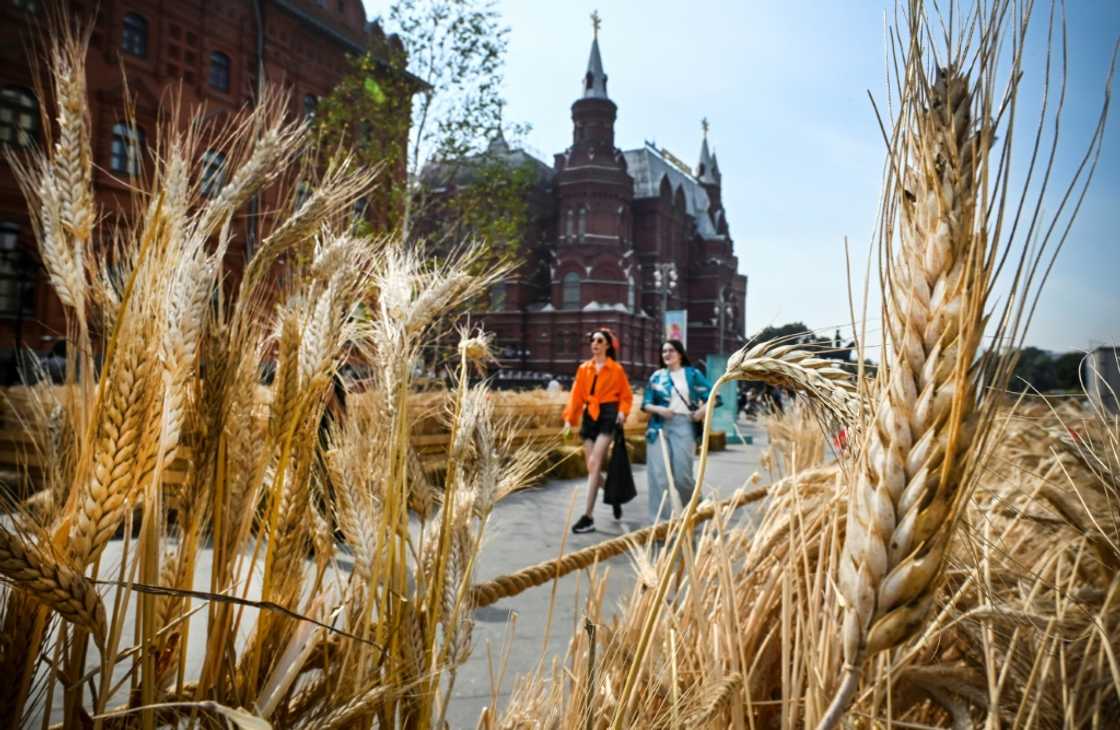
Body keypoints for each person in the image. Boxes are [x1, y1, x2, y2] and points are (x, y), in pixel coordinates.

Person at [562, 328, 633, 533]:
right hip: (589, 417)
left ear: (608, 345)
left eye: (599, 340)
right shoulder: (583, 369)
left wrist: (622, 413)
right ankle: (614, 497)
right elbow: (576, 396)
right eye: (592, 340)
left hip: (608, 416)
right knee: (592, 469)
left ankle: (588, 516)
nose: (594, 343)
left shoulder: (616, 369)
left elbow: (626, 397)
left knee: (594, 463)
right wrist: (569, 420)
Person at [641, 340, 712, 524]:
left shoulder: (692, 374)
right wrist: (659, 410)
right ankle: (660, 523)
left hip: (683, 425)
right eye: (663, 351)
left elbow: (713, 396)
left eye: (671, 350)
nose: (666, 354)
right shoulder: (657, 376)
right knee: (659, 478)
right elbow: (645, 403)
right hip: (658, 427)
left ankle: (695, 511)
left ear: (680, 353)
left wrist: (700, 412)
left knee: (683, 478)